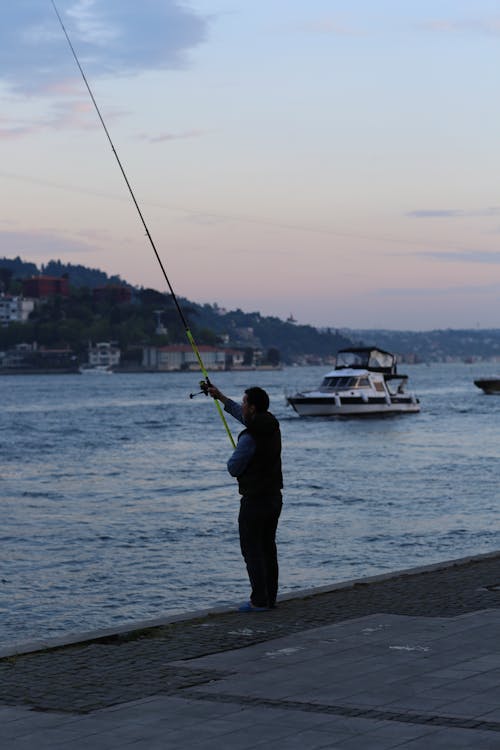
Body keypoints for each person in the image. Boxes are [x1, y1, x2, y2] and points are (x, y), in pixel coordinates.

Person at [208, 384, 283, 612]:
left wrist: (237, 462)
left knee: (252, 550)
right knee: (268, 548)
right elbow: (243, 417)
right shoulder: (270, 424)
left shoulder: (249, 436)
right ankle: (270, 598)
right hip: (274, 498)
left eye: (244, 402)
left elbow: (233, 467)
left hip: (254, 500)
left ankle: (258, 601)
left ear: (252, 407)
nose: (242, 406)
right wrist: (220, 396)